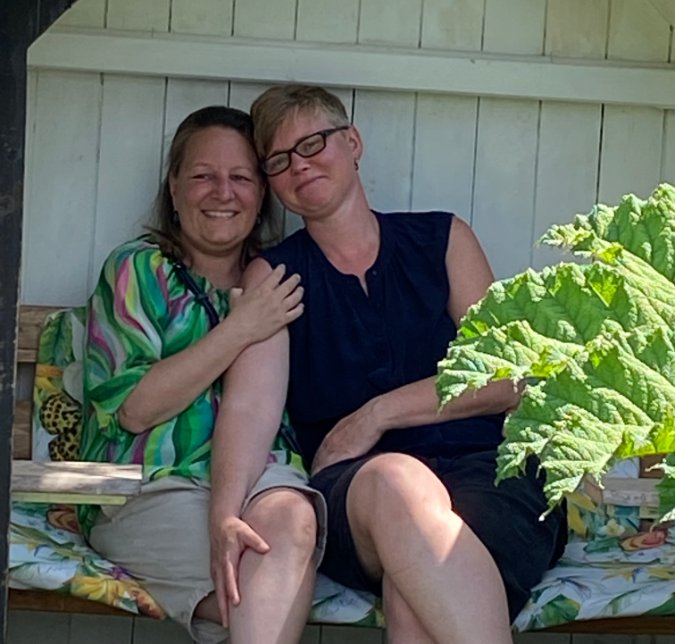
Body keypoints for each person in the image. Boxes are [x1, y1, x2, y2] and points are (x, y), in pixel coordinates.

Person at [211, 85, 567, 644]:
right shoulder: (274, 276)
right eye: (279, 160)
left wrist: (376, 415)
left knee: (415, 596)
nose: (299, 165)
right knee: (395, 480)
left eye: (313, 143)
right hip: (356, 490)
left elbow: (509, 376)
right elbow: (251, 404)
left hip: (489, 473)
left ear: (352, 143)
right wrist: (226, 514)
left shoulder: (442, 240)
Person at [79, 105, 325, 644]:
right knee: (260, 592)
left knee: (292, 521)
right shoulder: (139, 270)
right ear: (173, 186)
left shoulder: (277, 279)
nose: (223, 192)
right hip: (152, 487)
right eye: (202, 176)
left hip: (263, 481)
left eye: (241, 178)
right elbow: (135, 408)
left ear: (262, 193)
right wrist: (241, 328)